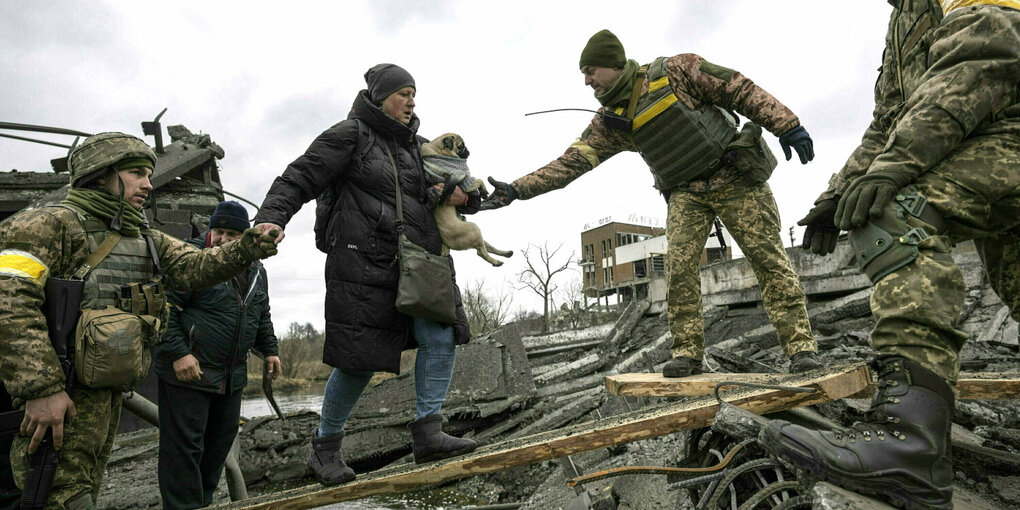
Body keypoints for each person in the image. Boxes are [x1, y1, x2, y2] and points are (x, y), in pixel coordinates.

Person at [761, 2, 1020, 509]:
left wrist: (889, 173)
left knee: (894, 213)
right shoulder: (904, 20)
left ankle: (910, 446)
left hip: (1006, 130)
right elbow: (889, 123)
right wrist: (837, 193)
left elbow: (990, 49)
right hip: (987, 141)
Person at [480, 29, 822, 377]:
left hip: (733, 176)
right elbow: (569, 164)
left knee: (769, 261)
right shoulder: (610, 122)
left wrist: (786, 123)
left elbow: (738, 87)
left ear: (612, 64)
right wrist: (515, 190)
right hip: (686, 193)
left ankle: (801, 349)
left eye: (590, 70)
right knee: (678, 270)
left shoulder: (676, 71)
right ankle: (688, 353)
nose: (586, 81)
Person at [0, 132, 279, 510]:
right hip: (58, 398)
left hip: (106, 397)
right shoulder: (45, 227)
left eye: (149, 173)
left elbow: (196, 265)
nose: (149, 184)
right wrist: (42, 388)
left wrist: (249, 245)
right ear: (101, 174)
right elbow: (10, 304)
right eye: (136, 173)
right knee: (58, 497)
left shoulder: (142, 237)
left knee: (82, 493)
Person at [251, 63, 479, 486]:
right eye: (402, 93)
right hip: (362, 264)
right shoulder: (350, 135)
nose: (411, 101)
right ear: (379, 97)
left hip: (422, 261)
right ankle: (325, 449)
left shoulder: (422, 148)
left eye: (414, 94)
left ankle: (429, 432)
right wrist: (271, 217)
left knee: (441, 335)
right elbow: (299, 176)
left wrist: (475, 196)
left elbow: (456, 186)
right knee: (359, 360)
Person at [152, 200, 281, 509]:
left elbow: (260, 313)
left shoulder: (257, 269)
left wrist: (270, 351)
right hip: (188, 373)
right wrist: (178, 353)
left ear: (245, 236)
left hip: (230, 377)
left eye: (233, 234)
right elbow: (161, 307)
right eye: (219, 231)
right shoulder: (188, 259)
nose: (224, 239)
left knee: (216, 451)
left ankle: (203, 504)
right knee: (183, 454)